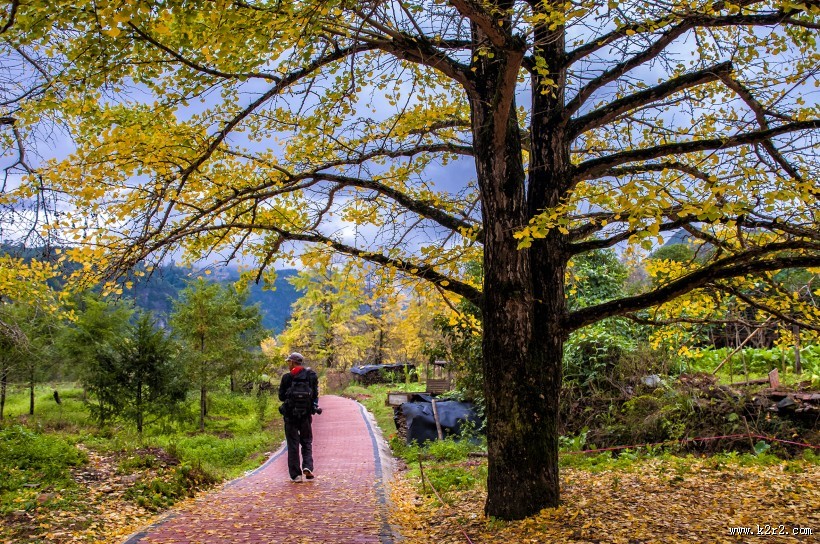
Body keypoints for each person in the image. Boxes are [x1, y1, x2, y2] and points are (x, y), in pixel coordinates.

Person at [278, 352, 319, 482]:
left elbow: (281, 397)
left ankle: (296, 475)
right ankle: (307, 466)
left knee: (293, 444)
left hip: (290, 416)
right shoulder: (311, 375)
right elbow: (315, 394)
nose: (288, 364)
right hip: (305, 415)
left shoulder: (286, 377)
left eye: (288, 362)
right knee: (306, 441)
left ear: (292, 362)